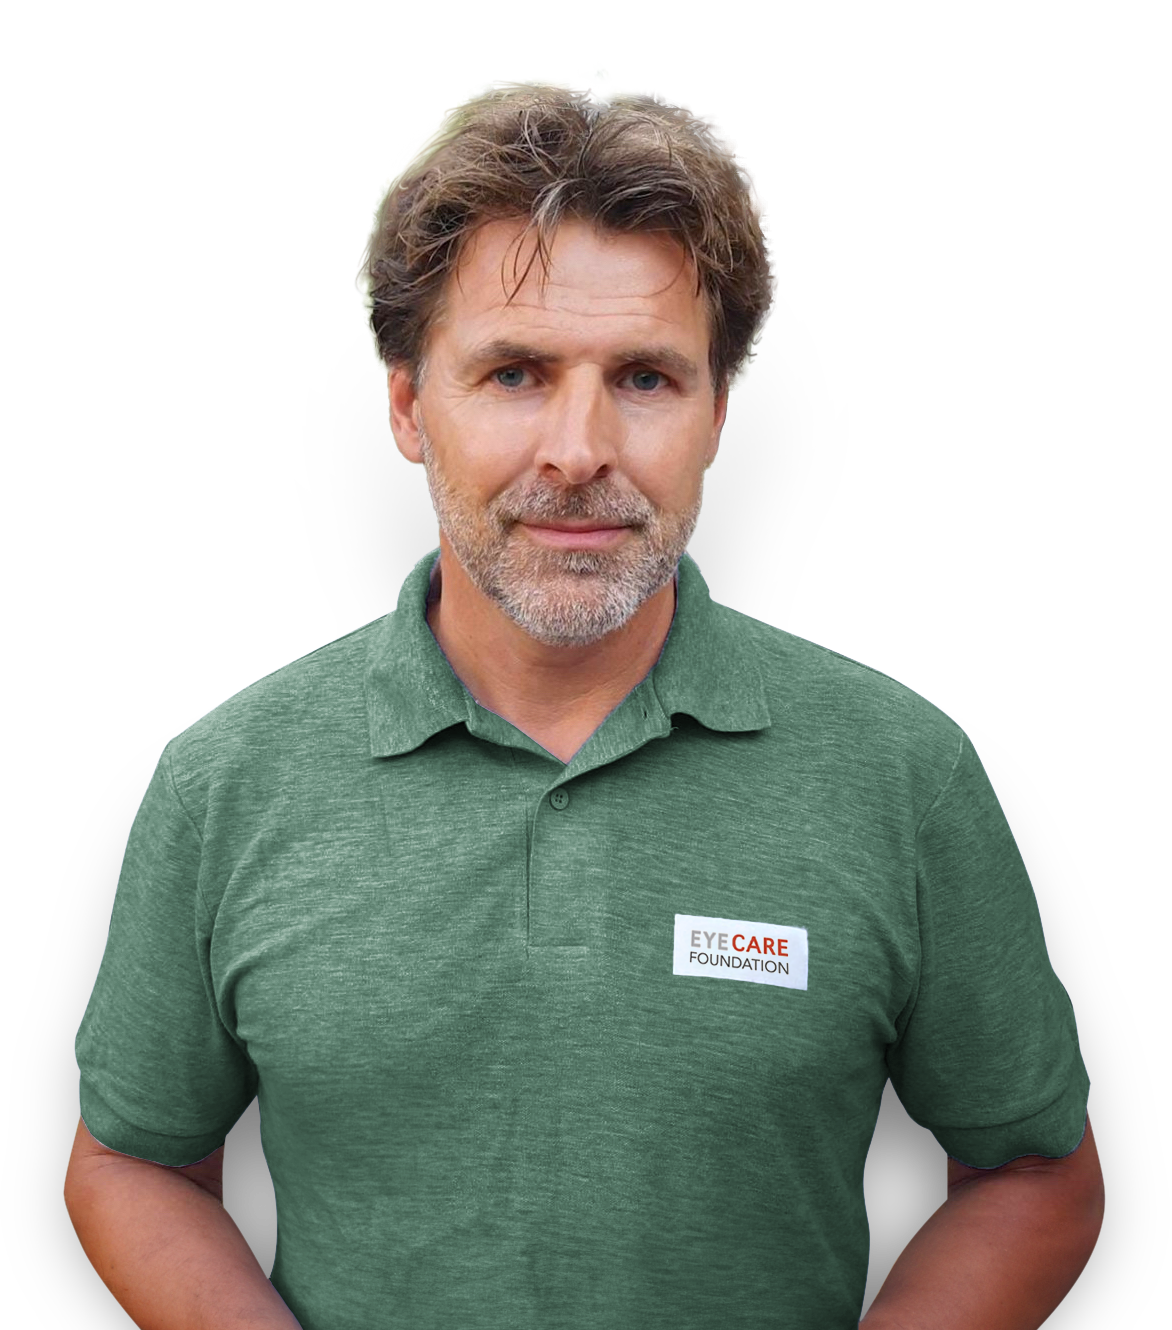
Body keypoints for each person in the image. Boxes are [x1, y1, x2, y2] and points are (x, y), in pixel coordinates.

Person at [65, 75, 1103, 1330]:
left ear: (716, 413)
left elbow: (1034, 1173)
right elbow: (131, 1159)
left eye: (645, 378)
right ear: (407, 405)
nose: (577, 449)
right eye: (514, 372)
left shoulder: (904, 772)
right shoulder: (221, 780)